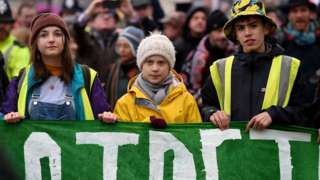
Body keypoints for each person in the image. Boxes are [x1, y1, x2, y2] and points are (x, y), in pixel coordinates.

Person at [201, 0, 305, 131]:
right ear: (236, 35)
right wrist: (212, 113)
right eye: (240, 28)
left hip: (273, 150)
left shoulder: (291, 66)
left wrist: (274, 114)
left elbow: (304, 111)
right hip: (233, 150)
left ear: (265, 29)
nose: (247, 33)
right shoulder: (219, 69)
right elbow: (206, 105)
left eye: (253, 25)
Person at [1, 13, 116, 123]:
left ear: (65, 40)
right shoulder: (21, 79)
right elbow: (5, 119)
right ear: (36, 42)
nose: (51, 39)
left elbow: (102, 118)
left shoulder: (88, 76)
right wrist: (9, 117)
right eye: (44, 35)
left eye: (57, 34)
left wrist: (106, 117)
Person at [114, 33, 202, 124]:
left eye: (161, 63)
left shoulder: (186, 100)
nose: (155, 68)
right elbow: (123, 137)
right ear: (141, 65)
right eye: (149, 62)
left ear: (170, 66)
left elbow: (195, 136)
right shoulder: (125, 103)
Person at [279, 0, 320, 103]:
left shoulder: (319, 41)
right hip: (289, 109)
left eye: (303, 10)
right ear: (288, 15)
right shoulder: (280, 44)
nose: (299, 15)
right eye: (294, 11)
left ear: (310, 13)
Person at [191, 9, 234, 102]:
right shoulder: (198, 58)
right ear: (209, 33)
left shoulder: (235, 51)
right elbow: (191, 87)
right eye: (218, 31)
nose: (223, 36)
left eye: (225, 30)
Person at [105, 26, 144, 108]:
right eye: (119, 46)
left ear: (136, 48)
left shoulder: (143, 71)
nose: (121, 50)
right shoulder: (113, 69)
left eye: (126, 46)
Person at [0, 0, 29, 80]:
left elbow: (17, 83)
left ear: (11, 25)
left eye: (5, 23)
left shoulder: (20, 49)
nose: (1, 26)